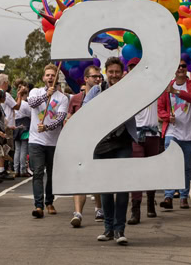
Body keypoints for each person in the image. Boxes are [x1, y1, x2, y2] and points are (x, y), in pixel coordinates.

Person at [85, 57, 135, 245]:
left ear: (122, 73)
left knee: (122, 188)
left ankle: (120, 229)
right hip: (101, 144)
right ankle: (108, 229)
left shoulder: (128, 92)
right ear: (106, 72)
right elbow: (84, 110)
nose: (114, 75)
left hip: (123, 143)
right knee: (105, 188)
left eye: (117, 72)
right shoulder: (97, 91)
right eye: (111, 72)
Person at [26, 64, 69, 218]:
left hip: (53, 142)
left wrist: (47, 127)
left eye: (53, 75)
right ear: (44, 77)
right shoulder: (35, 92)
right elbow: (31, 103)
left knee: (51, 174)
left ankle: (49, 202)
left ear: (57, 78)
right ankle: (38, 206)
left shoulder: (63, 98)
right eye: (48, 75)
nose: (50, 77)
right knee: (37, 172)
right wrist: (46, 95)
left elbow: (60, 119)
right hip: (36, 140)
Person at [157, 60, 191, 210]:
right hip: (172, 131)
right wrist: (167, 117)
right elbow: (160, 109)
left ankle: (183, 197)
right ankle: (168, 196)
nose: (180, 68)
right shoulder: (166, 86)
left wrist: (176, 92)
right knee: (170, 164)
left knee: (186, 167)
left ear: (186, 68)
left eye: (183, 66)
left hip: (189, 133)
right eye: (177, 66)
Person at [125, 58, 163, 224]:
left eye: (137, 67)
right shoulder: (127, 89)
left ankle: (150, 203)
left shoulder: (154, 85)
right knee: (137, 172)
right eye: (132, 68)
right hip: (136, 135)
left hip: (153, 135)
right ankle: (135, 209)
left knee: (151, 171)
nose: (135, 70)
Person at [70, 65, 104, 227]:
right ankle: (78, 213)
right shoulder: (76, 99)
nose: (98, 79)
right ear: (86, 79)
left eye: (99, 76)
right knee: (79, 176)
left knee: (96, 176)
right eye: (94, 76)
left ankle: (99, 208)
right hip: (79, 141)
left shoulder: (104, 95)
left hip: (98, 140)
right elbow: (68, 117)